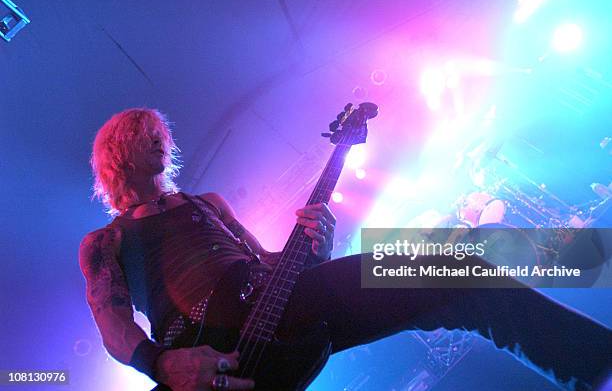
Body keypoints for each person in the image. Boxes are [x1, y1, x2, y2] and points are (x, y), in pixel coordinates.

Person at [79, 108, 611, 391]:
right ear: (116, 154)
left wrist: (315, 249)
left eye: (159, 131)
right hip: (204, 350)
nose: (159, 137)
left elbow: (264, 265)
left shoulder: (208, 204)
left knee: (458, 269)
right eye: (143, 132)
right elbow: (114, 326)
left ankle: (598, 366)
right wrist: (164, 368)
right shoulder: (106, 242)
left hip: (275, 304)